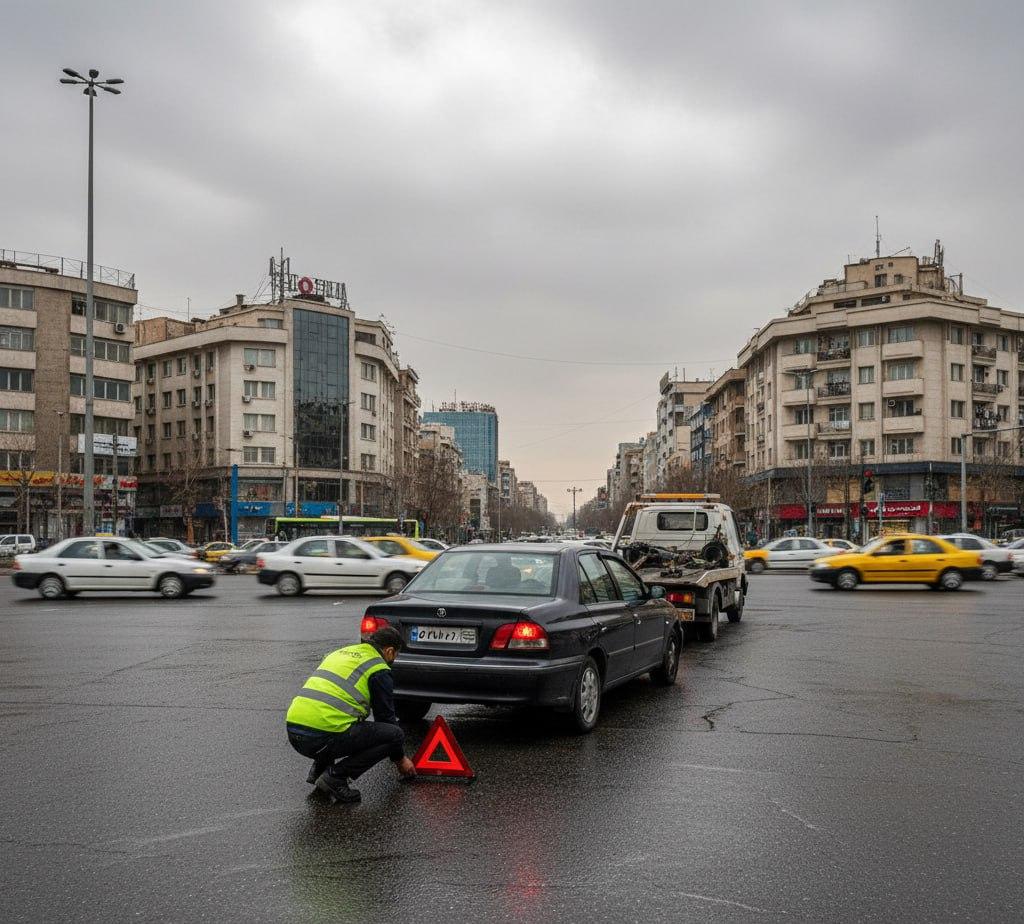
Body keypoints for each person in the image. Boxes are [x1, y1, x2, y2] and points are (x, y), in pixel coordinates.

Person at [286, 626, 416, 803]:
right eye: (396, 655)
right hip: (320, 738)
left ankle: (319, 769)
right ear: (390, 651)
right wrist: (400, 760)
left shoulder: (341, 653)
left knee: (339, 719)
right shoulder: (378, 669)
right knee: (394, 735)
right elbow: (386, 719)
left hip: (294, 731)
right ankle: (335, 777)